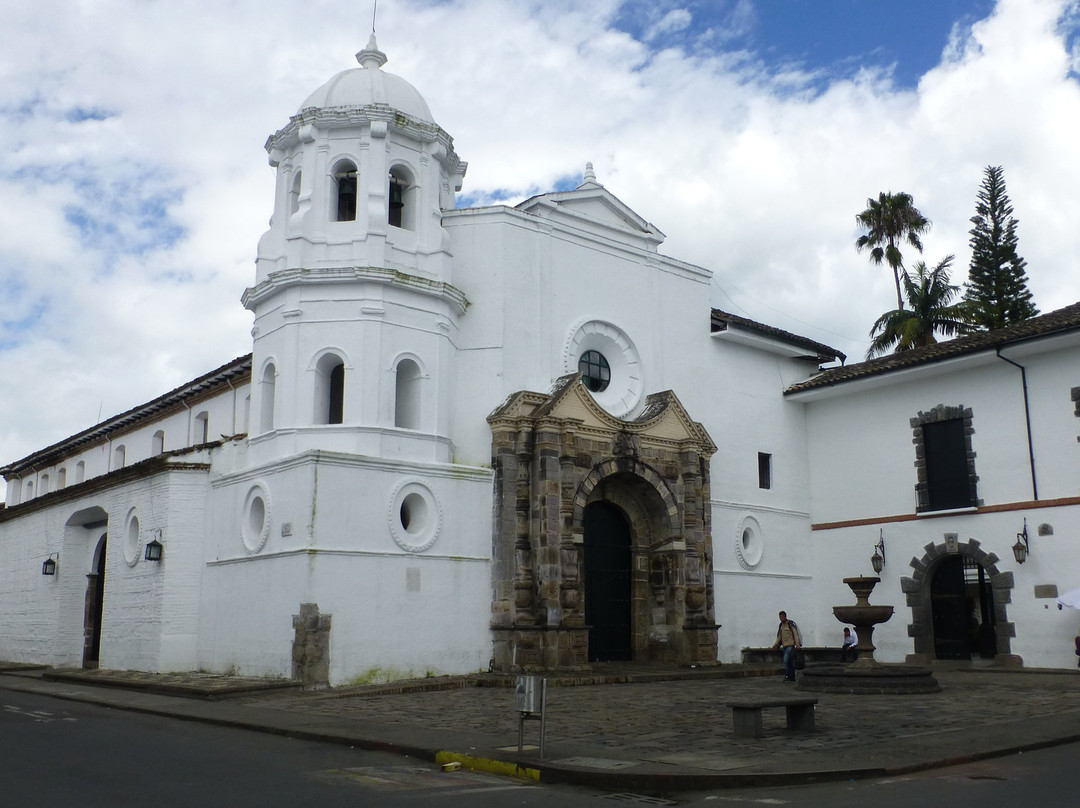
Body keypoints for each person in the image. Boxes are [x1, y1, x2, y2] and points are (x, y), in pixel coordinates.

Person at [771, 610, 802, 682]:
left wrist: (797, 645)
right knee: (789, 661)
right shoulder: (781, 626)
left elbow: (795, 634)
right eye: (780, 617)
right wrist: (775, 645)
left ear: (785, 616)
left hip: (790, 645)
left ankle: (787, 675)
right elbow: (779, 637)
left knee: (786, 660)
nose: (781, 619)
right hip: (784, 645)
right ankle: (792, 677)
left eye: (782, 617)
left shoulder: (790, 624)